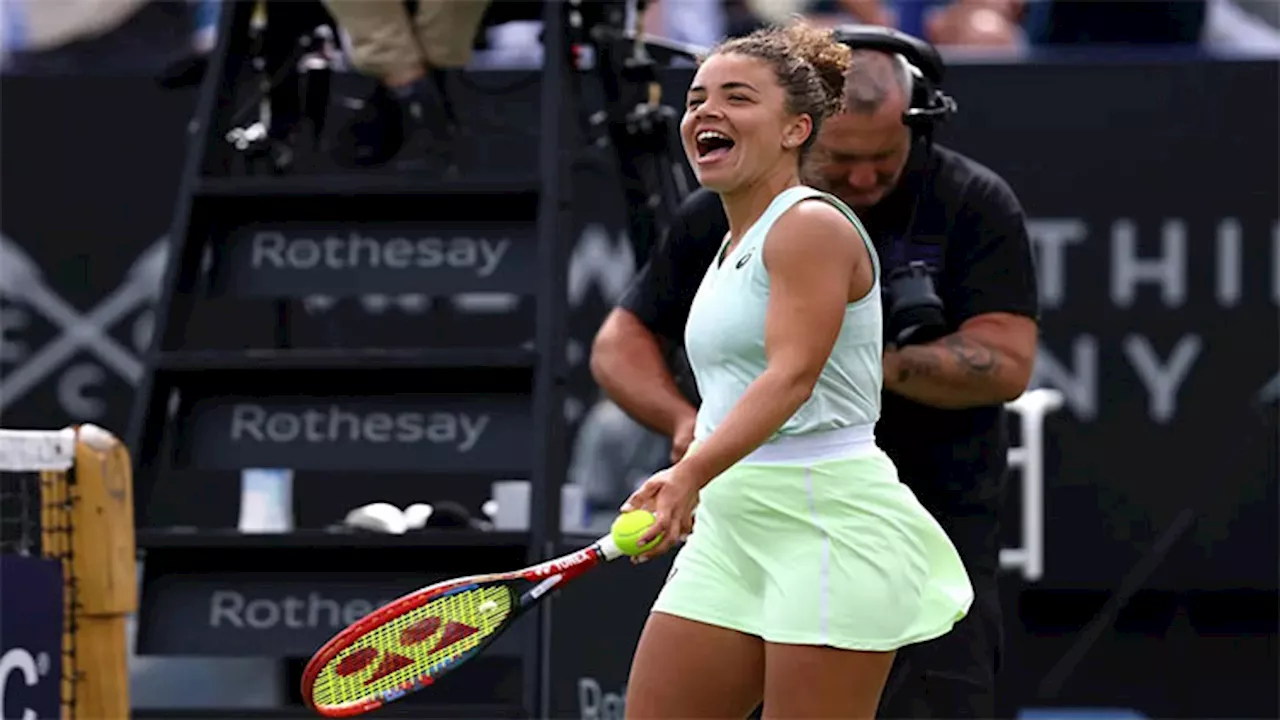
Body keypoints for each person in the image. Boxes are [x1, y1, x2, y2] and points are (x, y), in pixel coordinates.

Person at [591, 27, 1039, 720]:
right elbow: (650, 357)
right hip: (734, 528)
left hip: (827, 527)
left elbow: (791, 377)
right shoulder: (727, 232)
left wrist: (687, 473)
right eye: (696, 99)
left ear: (798, 128)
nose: (706, 111)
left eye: (737, 98)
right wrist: (693, 440)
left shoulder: (810, 226)